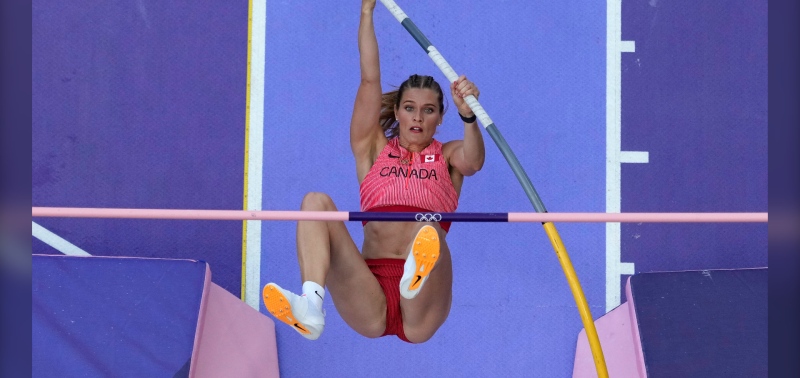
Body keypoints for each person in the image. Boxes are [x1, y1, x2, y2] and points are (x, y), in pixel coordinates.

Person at [262, 0, 485, 344]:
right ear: (396, 111)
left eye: (428, 111)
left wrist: (469, 115)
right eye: (409, 108)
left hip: (423, 312)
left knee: (429, 230)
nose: (417, 117)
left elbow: (474, 161)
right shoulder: (373, 149)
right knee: (315, 202)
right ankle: (310, 304)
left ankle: (416, 277)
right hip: (370, 293)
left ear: (441, 118)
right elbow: (369, 80)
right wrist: (366, 13)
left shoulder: (448, 155)